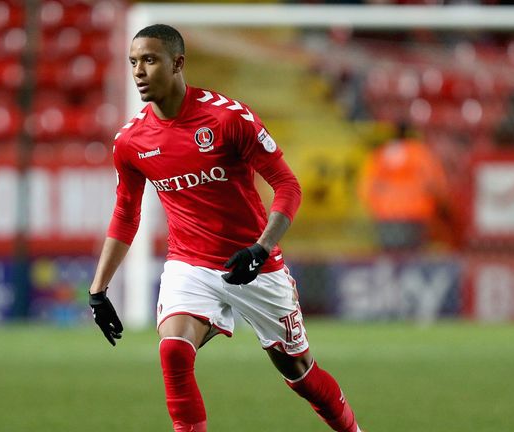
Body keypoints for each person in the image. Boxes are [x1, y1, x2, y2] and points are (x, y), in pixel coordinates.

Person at [88, 24, 363, 432]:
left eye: (149, 60)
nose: (139, 72)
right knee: (174, 353)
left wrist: (262, 248)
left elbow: (287, 185)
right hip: (190, 265)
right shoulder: (131, 141)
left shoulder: (227, 118)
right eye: (133, 62)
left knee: (301, 373)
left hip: (255, 263)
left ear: (178, 63)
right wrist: (98, 289)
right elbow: (126, 214)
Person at [358, 121, 450, 251]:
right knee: (411, 260)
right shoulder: (421, 154)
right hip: (416, 216)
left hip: (386, 217)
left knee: (391, 261)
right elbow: (437, 187)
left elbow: (365, 189)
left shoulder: (380, 154)